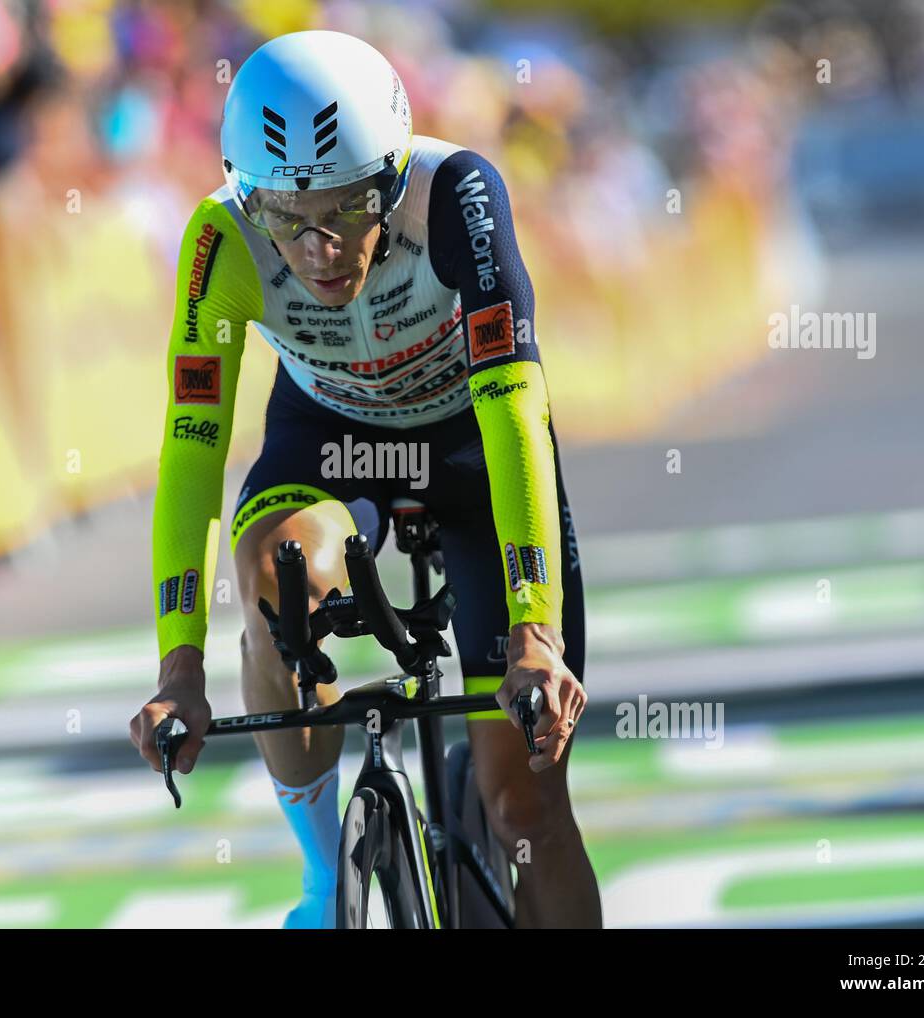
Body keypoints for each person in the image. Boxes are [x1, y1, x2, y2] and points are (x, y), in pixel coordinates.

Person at [130, 29, 601, 929]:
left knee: (525, 808)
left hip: (470, 448)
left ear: (388, 180)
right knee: (277, 585)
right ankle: (319, 877)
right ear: (246, 193)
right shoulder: (220, 238)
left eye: (345, 210)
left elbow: (514, 412)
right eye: (284, 217)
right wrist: (178, 663)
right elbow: (192, 449)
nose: (314, 250)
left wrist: (534, 627)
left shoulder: (456, 194)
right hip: (329, 439)